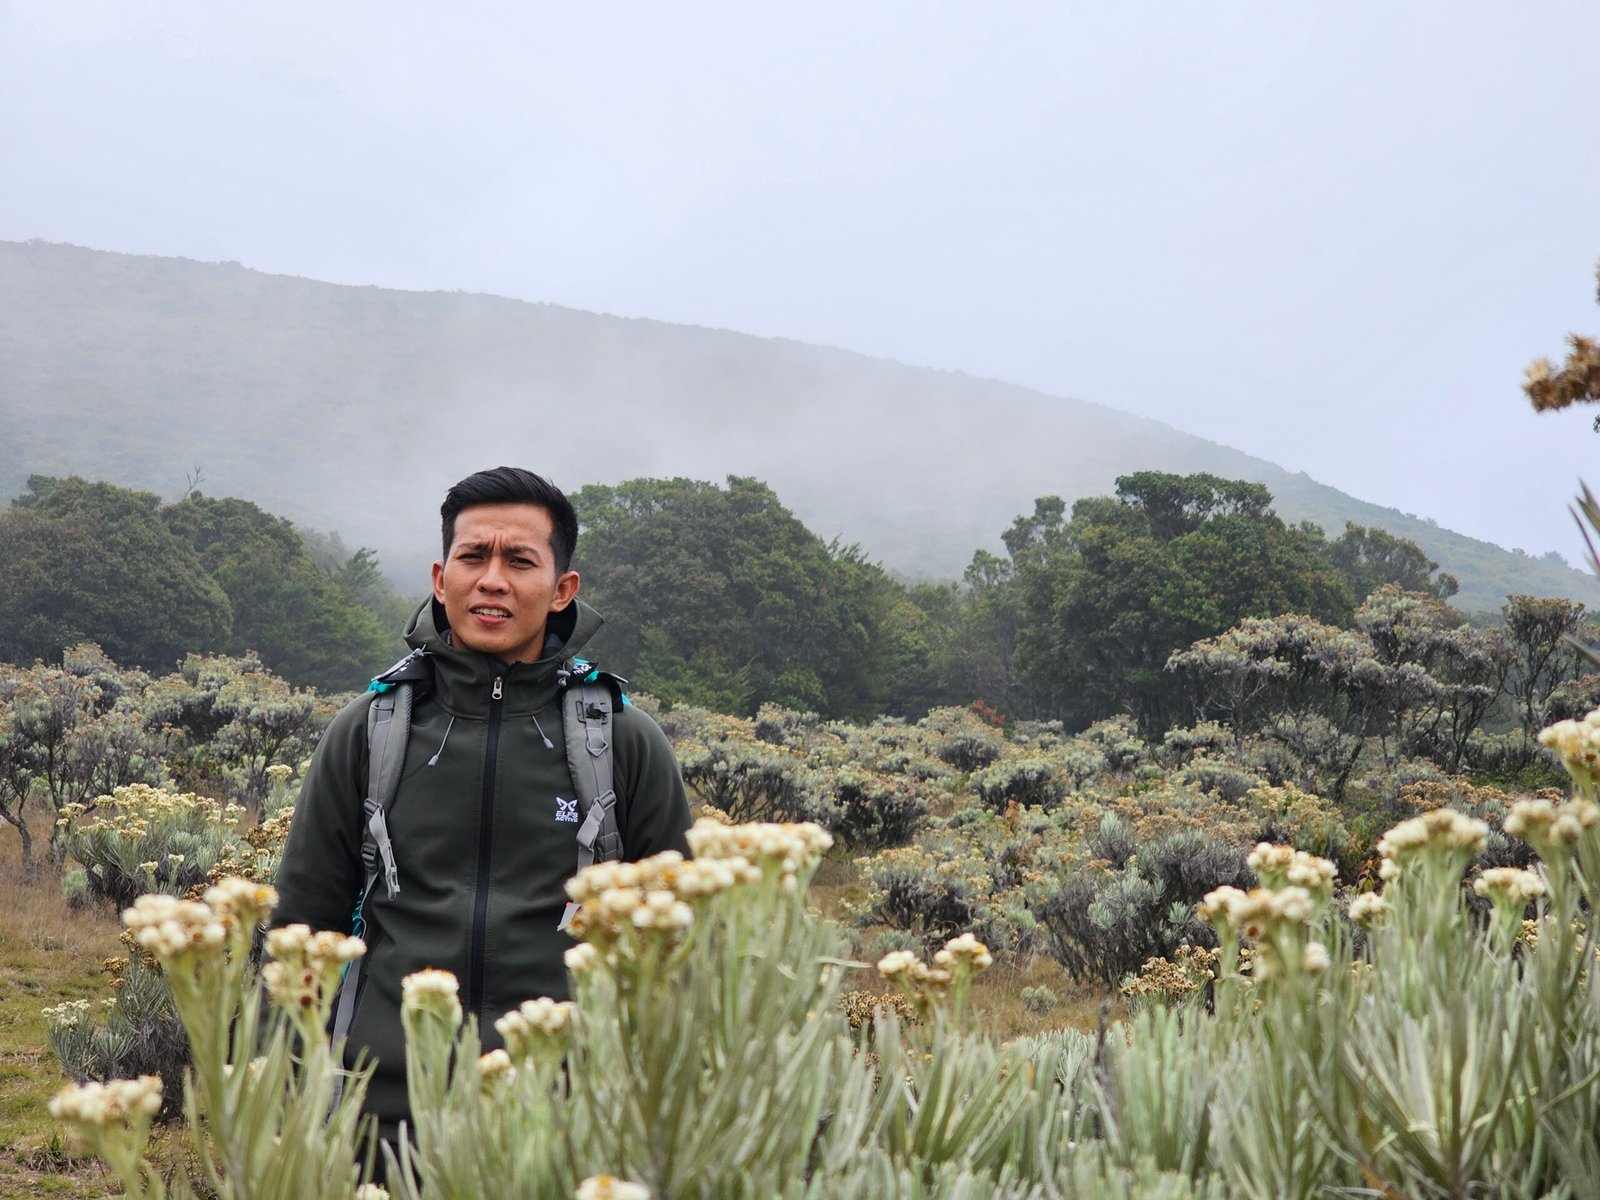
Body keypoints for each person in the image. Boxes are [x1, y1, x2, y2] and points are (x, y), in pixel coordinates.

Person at [272, 466, 692, 1148]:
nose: (492, 579)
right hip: (382, 1121)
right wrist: (286, 1096)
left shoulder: (621, 741)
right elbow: (303, 928)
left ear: (562, 591)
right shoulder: (371, 730)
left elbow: (683, 942)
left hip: (566, 1124)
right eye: (474, 556)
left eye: (520, 560)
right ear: (442, 580)